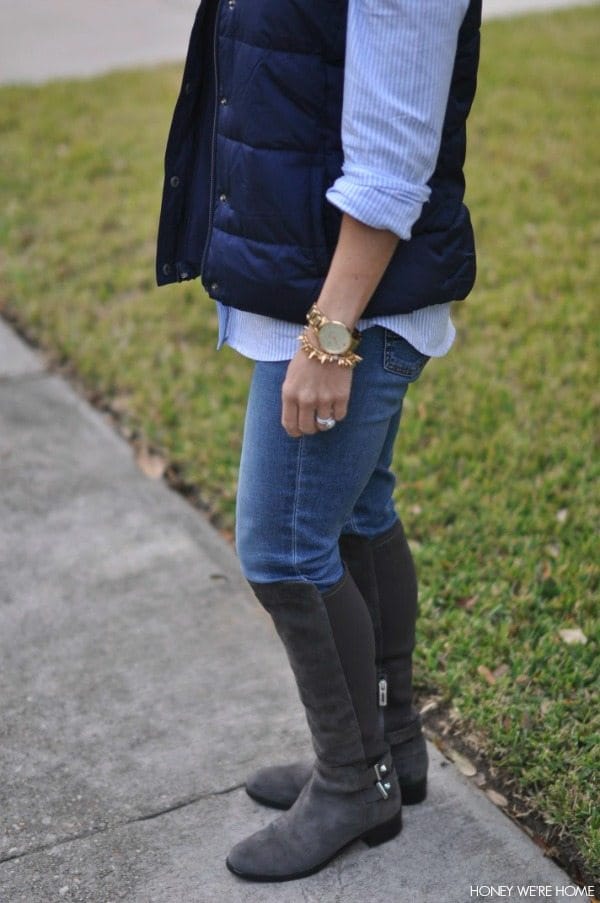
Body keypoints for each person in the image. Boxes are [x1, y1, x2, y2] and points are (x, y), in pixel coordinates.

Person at [156, 0, 481, 884]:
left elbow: (390, 157)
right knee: (355, 513)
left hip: (349, 304)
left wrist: (328, 336)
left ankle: (353, 780)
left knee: (284, 548)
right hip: (322, 284)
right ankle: (391, 749)